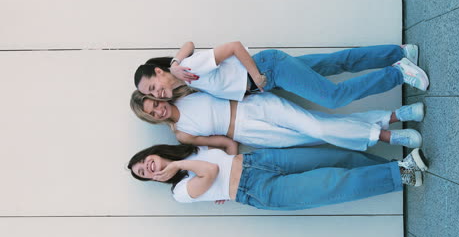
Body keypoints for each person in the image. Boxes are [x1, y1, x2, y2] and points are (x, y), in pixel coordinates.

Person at [127, 144, 428, 210]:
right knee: (332, 183)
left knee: (335, 157)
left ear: (151, 153)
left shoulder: (190, 148)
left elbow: (226, 148)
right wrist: (178, 167)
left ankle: (397, 169)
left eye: (144, 162)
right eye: (144, 174)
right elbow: (212, 171)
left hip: (260, 160)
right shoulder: (178, 190)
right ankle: (402, 171)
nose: (149, 169)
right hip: (260, 189)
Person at [134, 41, 429, 108]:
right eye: (150, 94)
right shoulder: (184, 75)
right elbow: (187, 42)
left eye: (152, 85)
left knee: (333, 97)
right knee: (337, 62)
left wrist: (257, 78)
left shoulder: (188, 68)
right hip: (271, 72)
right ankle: (399, 53)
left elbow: (234, 46)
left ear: (159, 71)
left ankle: (398, 72)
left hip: (268, 69)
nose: (156, 93)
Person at [130, 90, 425, 154]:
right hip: (252, 134)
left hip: (255, 107)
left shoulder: (184, 91)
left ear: (160, 98)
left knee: (319, 126)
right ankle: (393, 117)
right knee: (322, 130)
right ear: (150, 119)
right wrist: (225, 173)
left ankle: (390, 136)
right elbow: (225, 143)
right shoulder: (183, 134)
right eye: (151, 112)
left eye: (155, 103)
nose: (158, 110)